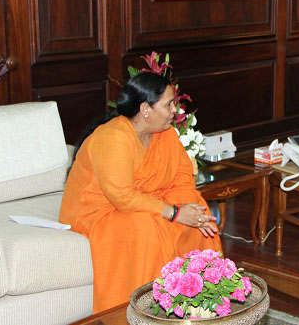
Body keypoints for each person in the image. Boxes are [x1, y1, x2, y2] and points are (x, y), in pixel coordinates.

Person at [59, 72, 222, 313]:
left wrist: (190, 209)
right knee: (145, 227)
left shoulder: (165, 133)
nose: (174, 111)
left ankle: (198, 306)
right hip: (98, 213)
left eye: (173, 103)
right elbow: (123, 197)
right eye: (168, 104)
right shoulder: (113, 136)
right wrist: (175, 213)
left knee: (200, 216)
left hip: (147, 203)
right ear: (146, 108)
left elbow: (180, 177)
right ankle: (143, 312)